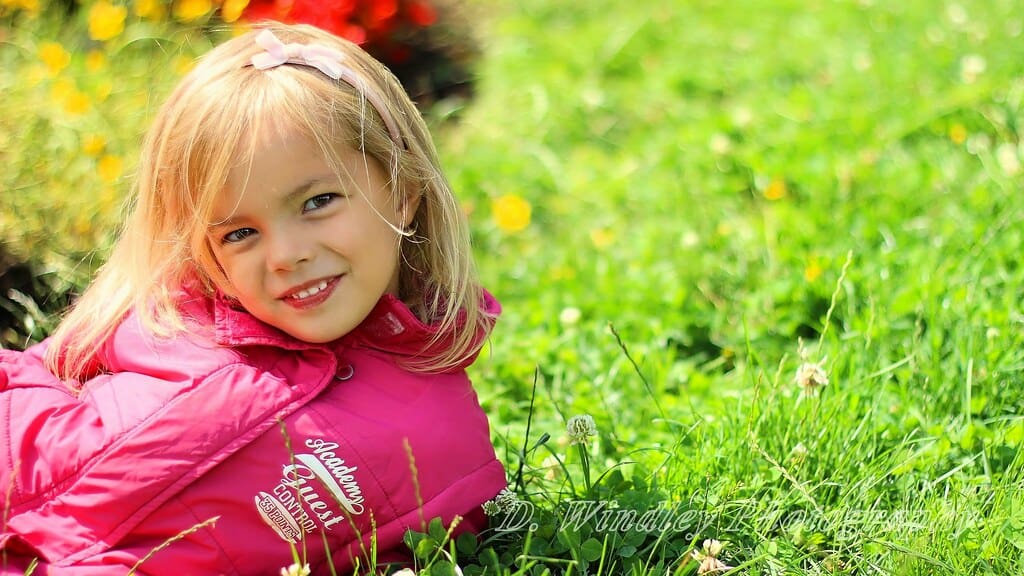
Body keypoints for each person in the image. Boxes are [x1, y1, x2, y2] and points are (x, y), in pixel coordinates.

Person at [0, 22, 506, 575]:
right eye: (239, 234)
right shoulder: (174, 315)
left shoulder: (439, 445)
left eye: (318, 201)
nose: (285, 255)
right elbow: (35, 377)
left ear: (404, 192)